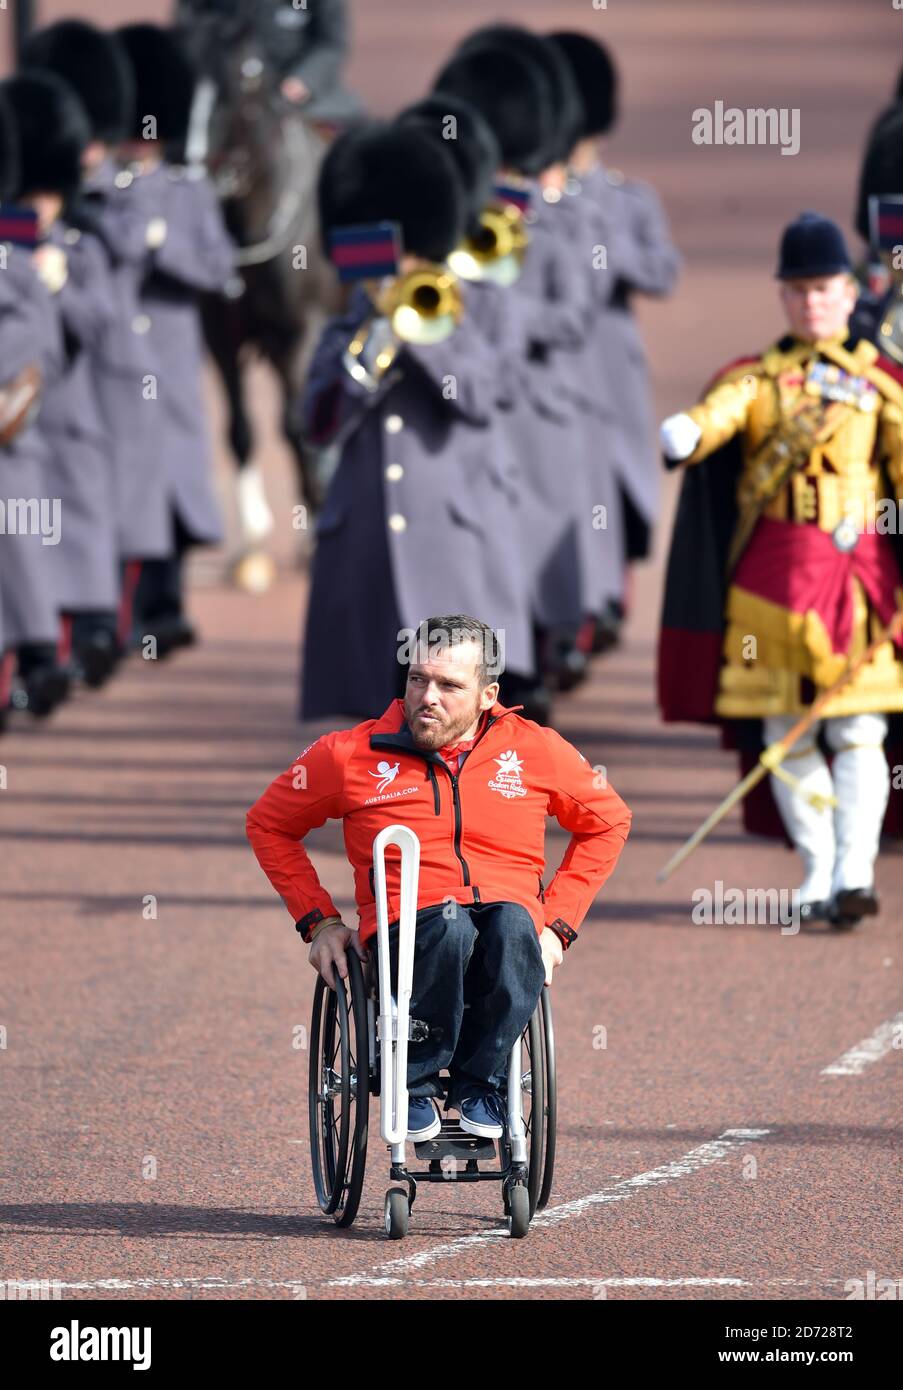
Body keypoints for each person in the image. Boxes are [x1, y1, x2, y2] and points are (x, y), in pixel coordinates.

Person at [247, 614, 631, 1139]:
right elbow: (269, 823)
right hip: (408, 923)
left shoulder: (534, 749)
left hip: (508, 915)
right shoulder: (349, 754)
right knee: (450, 928)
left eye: (450, 686)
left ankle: (485, 1083)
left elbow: (609, 821)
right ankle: (413, 1081)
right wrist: (319, 922)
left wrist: (559, 925)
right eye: (418, 680)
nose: (428, 697)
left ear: (487, 695)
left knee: (513, 928)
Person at [658, 213, 903, 926]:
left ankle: (855, 868)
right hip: (769, 581)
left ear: (848, 291)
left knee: (858, 731)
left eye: (822, 288)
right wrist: (692, 430)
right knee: (783, 733)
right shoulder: (759, 379)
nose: (810, 303)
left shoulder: (880, 383)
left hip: (857, 575)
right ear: (783, 296)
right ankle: (817, 866)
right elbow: (722, 412)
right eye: (796, 291)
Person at [300, 121, 534, 721]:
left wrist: (419, 334)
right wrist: (371, 345)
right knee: (375, 733)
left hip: (448, 543)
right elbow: (317, 423)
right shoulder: (353, 315)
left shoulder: (469, 308)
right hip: (368, 546)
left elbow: (482, 395)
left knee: (457, 725)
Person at [550, 30, 680, 640]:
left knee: (618, 480)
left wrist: (602, 233)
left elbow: (662, 271)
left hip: (609, 359)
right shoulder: (536, 201)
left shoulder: (629, 198)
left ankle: (609, 596)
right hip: (553, 359)